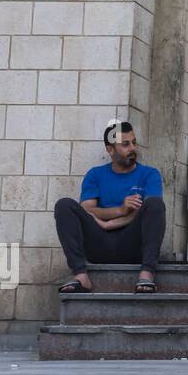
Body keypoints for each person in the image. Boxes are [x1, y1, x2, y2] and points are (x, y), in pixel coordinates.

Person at [54, 121, 166, 294]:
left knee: (155, 204)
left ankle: (147, 273)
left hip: (133, 244)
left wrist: (109, 223)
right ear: (110, 149)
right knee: (64, 205)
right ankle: (81, 277)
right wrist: (121, 210)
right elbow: (87, 209)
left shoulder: (150, 174)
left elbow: (149, 212)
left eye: (134, 143)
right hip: (99, 245)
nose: (132, 148)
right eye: (125, 144)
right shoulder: (95, 175)